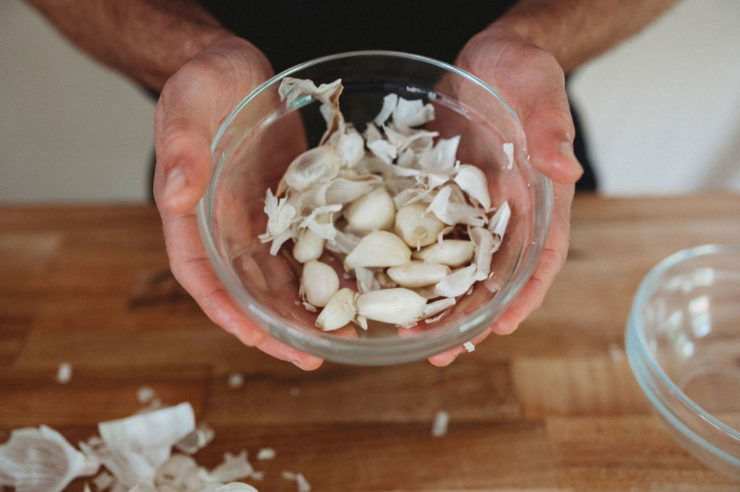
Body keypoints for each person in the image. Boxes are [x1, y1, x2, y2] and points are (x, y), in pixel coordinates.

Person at [27, 0, 676, 369]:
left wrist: (537, 37)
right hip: (224, 153)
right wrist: (186, 54)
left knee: (516, 347)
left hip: (507, 145)